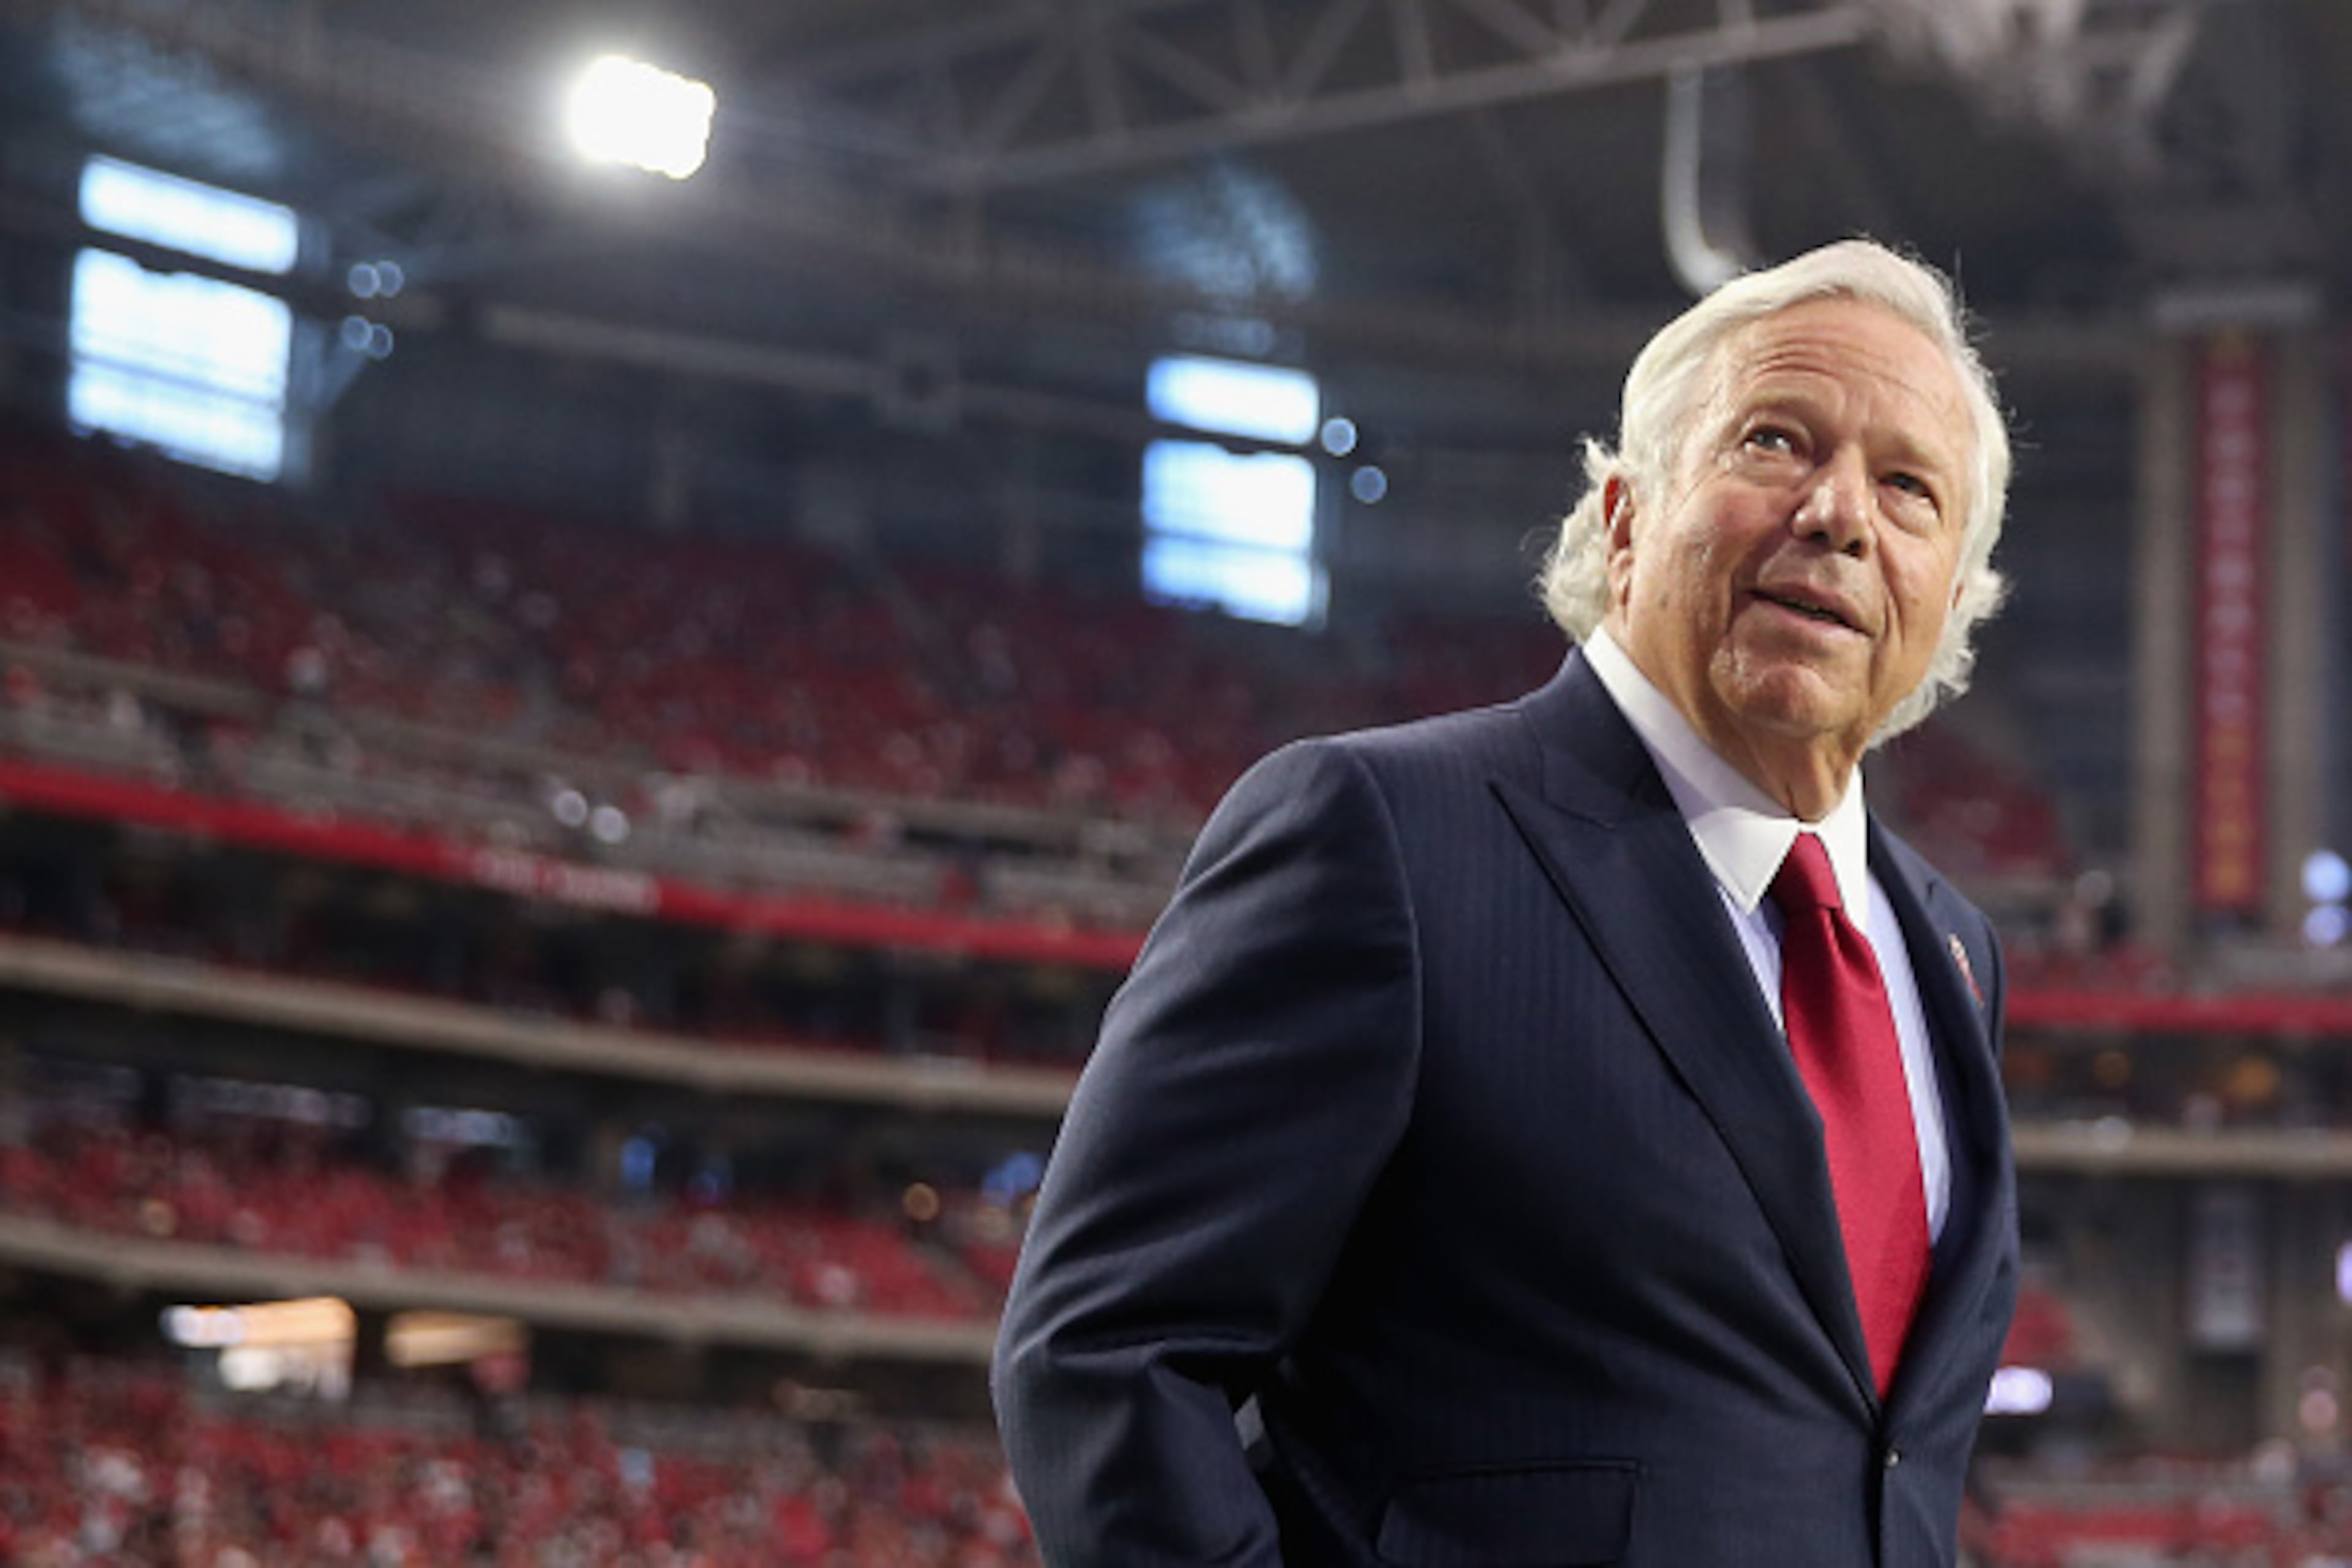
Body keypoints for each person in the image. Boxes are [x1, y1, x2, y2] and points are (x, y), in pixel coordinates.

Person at [993, 238, 2021, 1568]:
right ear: (1625, 516)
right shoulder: (1385, 835)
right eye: (1776, 441)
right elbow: (1106, 1351)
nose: (1839, 514)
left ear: (1948, 605)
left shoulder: (1951, 951)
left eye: (1908, 489)